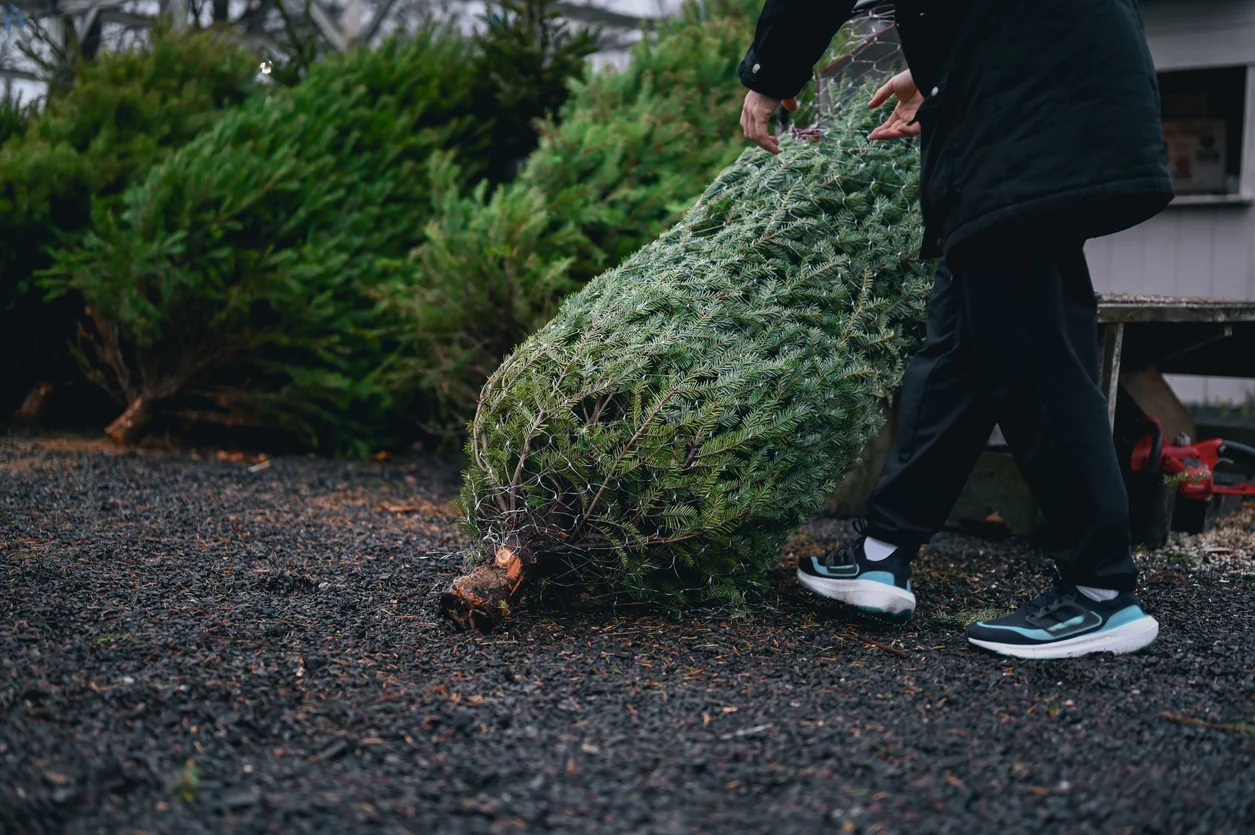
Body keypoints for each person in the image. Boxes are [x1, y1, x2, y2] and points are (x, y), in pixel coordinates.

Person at [739, 0, 1174, 659]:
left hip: (1025, 98)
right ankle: (882, 553)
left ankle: (1099, 589)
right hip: (1036, 81)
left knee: (1030, 349)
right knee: (963, 340)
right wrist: (938, 70)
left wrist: (769, 73)